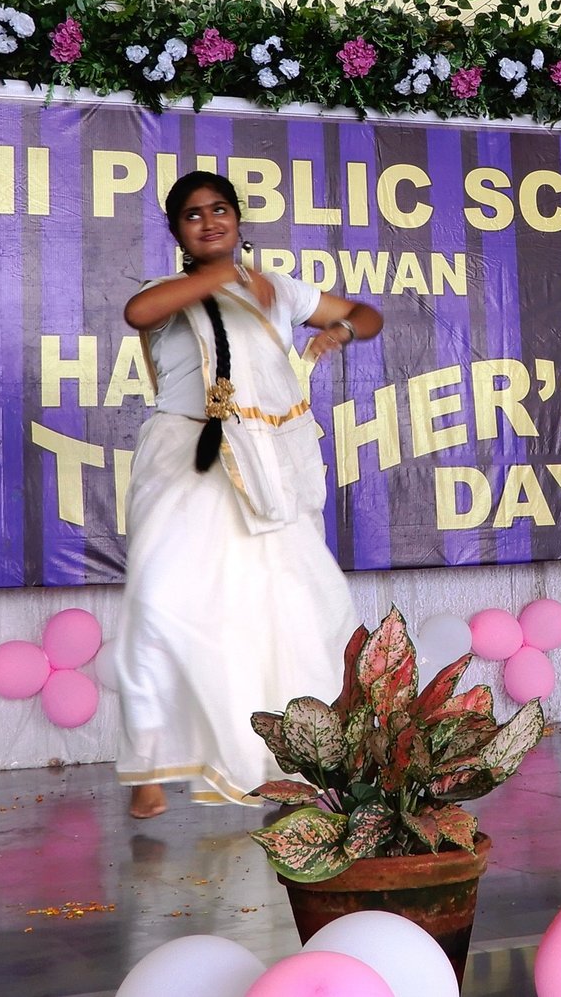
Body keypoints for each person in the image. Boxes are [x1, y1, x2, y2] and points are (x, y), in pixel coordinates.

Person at [114, 170, 383, 817]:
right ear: (177, 231)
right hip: (188, 459)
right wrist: (225, 276)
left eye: (220, 210)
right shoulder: (165, 292)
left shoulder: (277, 288)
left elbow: (365, 314)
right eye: (193, 215)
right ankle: (149, 756)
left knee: (287, 610)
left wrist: (339, 331)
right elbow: (137, 315)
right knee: (159, 601)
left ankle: (292, 761)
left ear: (238, 218)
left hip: (262, 464)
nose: (209, 222)